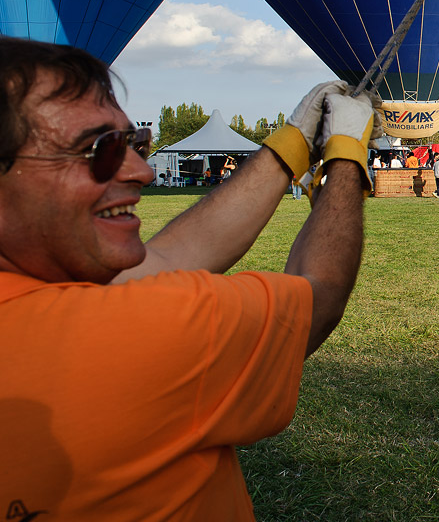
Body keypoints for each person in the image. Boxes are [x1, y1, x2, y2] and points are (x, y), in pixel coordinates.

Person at [0, 37, 381, 520]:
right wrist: (346, 157)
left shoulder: (44, 298)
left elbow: (172, 255)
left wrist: (291, 144)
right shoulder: (132, 332)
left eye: (135, 144)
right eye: (100, 149)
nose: (140, 171)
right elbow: (318, 294)